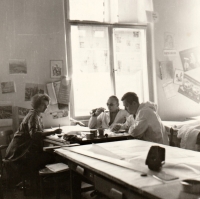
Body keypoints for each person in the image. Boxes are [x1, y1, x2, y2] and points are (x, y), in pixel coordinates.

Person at [4, 93, 62, 185]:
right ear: (37, 104)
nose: (46, 108)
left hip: (20, 150)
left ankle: (37, 182)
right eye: (44, 105)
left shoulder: (35, 114)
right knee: (52, 157)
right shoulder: (33, 116)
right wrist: (53, 132)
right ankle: (41, 184)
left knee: (47, 155)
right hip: (18, 152)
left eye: (46, 106)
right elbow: (34, 135)